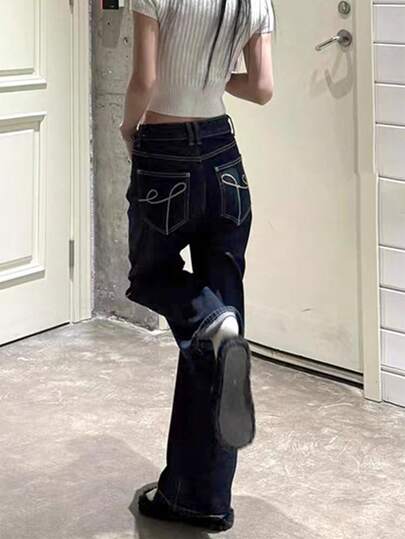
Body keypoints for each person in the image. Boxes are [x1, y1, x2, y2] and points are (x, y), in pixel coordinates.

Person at [120, 0, 274, 532]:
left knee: (150, 277)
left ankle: (210, 320)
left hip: (165, 155)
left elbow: (145, 79)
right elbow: (262, 88)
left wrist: (128, 127)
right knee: (216, 344)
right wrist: (211, 76)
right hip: (225, 157)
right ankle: (202, 499)